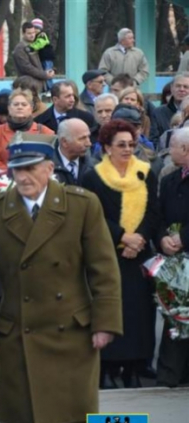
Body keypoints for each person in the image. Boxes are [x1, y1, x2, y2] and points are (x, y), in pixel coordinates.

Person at [0, 132, 123, 423]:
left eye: (31, 169)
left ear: (50, 169)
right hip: (18, 329)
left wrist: (105, 322)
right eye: (17, 169)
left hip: (73, 328)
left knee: (79, 413)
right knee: (23, 419)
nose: (23, 177)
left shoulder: (81, 206)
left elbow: (103, 269)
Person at [81, 119, 159, 389]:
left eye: (131, 144)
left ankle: (134, 367)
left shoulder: (144, 172)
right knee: (110, 310)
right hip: (106, 254)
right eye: (121, 145)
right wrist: (121, 236)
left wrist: (138, 239)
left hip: (137, 255)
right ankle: (107, 367)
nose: (128, 149)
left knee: (139, 314)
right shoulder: (93, 177)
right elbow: (92, 217)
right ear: (106, 147)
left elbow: (152, 211)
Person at [157, 126, 189, 387]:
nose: (169, 152)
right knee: (175, 315)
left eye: (173, 147)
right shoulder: (169, 178)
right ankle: (171, 374)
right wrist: (162, 238)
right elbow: (160, 216)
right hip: (174, 264)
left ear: (185, 149)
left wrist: (184, 238)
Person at [0, 89, 54, 171]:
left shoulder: (45, 132)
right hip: (5, 179)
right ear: (9, 108)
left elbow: (50, 160)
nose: (19, 107)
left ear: (31, 108)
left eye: (24, 104)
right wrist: (14, 174)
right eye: (16, 104)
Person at [12, 22, 54, 92]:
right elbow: (26, 68)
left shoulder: (35, 45)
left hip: (38, 83)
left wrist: (50, 70)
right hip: (28, 85)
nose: (32, 35)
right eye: (29, 33)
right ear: (23, 33)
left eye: (33, 32)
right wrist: (44, 74)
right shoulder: (20, 48)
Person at [52, 119, 93, 185]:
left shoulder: (93, 167)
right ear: (64, 142)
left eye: (88, 137)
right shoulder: (46, 168)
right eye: (82, 138)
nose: (89, 144)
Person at [151, 72, 189, 142]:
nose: (181, 89)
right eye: (178, 86)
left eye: (186, 87)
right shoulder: (158, 113)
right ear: (171, 88)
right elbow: (154, 141)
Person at [28, 19, 56, 87]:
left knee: (48, 73)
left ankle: (50, 87)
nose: (35, 30)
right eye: (34, 28)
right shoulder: (36, 37)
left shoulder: (42, 35)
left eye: (37, 28)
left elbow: (40, 43)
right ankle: (46, 87)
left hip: (47, 57)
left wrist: (32, 47)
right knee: (44, 73)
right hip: (43, 58)